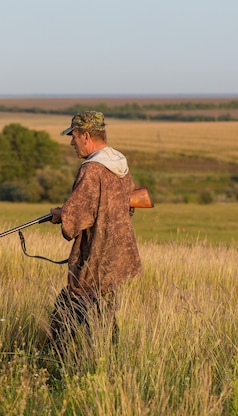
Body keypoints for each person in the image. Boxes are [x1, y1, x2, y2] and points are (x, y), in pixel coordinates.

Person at [47, 110, 142, 356]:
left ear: (87, 136)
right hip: (118, 254)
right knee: (102, 315)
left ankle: (56, 363)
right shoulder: (119, 163)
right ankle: (106, 360)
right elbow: (126, 204)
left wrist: (60, 215)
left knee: (65, 318)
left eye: (74, 136)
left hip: (95, 257)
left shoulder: (91, 170)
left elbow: (75, 220)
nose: (71, 142)